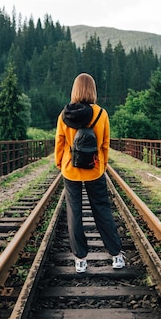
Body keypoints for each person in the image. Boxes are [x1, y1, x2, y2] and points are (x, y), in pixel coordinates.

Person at [55, 73, 125, 273]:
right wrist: (102, 165)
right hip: (94, 169)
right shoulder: (101, 114)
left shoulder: (64, 114)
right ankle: (116, 256)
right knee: (102, 210)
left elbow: (60, 141)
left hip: (71, 169)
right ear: (92, 90)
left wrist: (60, 163)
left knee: (74, 213)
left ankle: (80, 260)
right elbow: (104, 144)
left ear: (75, 89)